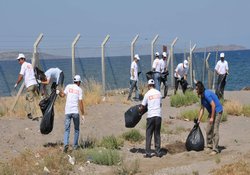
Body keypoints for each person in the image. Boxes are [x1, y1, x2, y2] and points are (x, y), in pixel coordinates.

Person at [58, 75, 85, 153]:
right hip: (75, 112)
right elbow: (80, 102)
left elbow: (62, 95)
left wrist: (58, 92)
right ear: (79, 82)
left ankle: (66, 144)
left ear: (74, 81)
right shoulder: (79, 89)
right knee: (76, 129)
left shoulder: (68, 86)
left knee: (67, 129)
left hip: (68, 112)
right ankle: (75, 146)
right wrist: (83, 114)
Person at [196, 81, 223, 155]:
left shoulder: (207, 94)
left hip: (217, 111)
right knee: (208, 129)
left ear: (200, 89)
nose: (196, 90)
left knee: (215, 130)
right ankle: (209, 145)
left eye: (197, 89)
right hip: (212, 112)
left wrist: (212, 118)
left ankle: (215, 149)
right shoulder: (202, 96)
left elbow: (213, 105)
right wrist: (198, 120)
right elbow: (202, 109)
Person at [140, 79, 162, 158]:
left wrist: (139, 111)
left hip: (150, 116)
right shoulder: (159, 93)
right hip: (158, 116)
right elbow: (160, 104)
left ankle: (148, 153)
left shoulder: (147, 94)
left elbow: (142, 106)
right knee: (157, 134)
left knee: (149, 134)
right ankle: (158, 152)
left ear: (148, 86)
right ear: (154, 85)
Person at [14, 53, 38, 119]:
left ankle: (34, 115)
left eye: (19, 60)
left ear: (23, 59)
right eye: (18, 60)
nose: (18, 61)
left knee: (30, 100)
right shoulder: (29, 64)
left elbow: (21, 75)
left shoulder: (23, 65)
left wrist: (16, 83)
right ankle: (29, 113)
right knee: (27, 98)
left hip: (30, 85)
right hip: (34, 84)